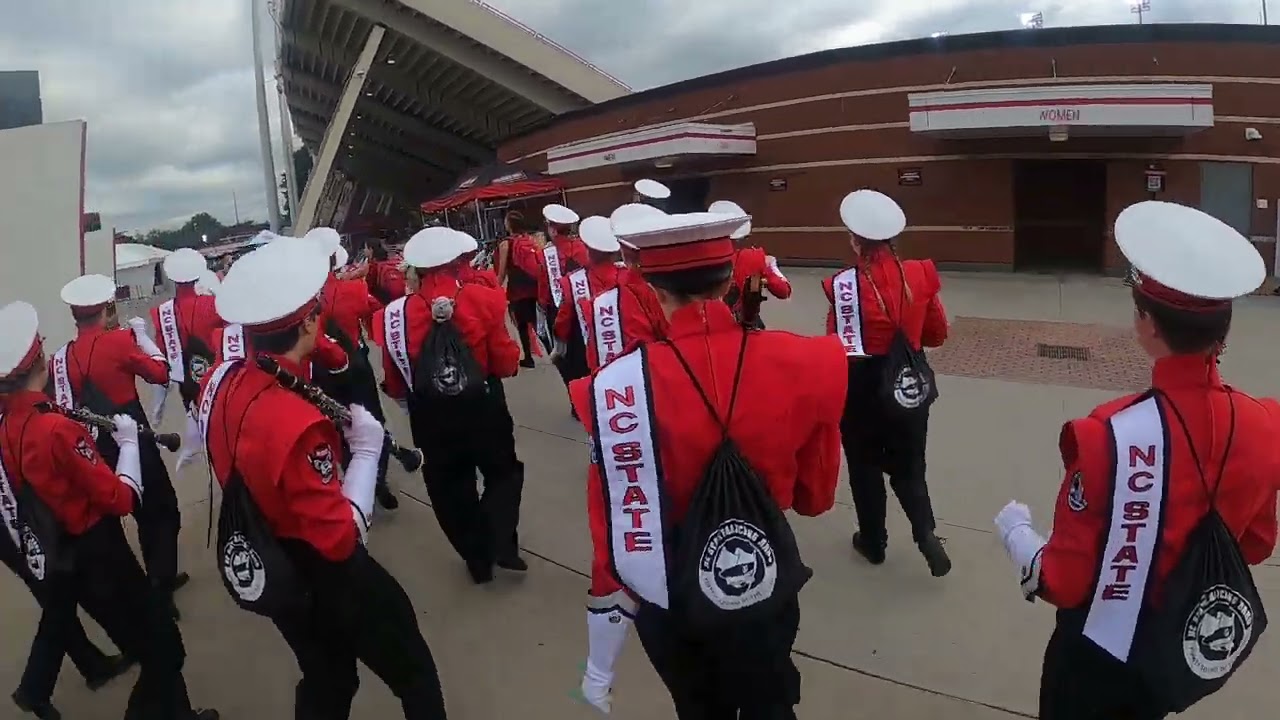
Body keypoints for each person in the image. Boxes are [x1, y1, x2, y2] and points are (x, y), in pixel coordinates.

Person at [993, 201, 1280, 720]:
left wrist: (1016, 534)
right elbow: (1257, 544)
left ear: (1147, 324)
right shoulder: (1268, 425)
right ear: (1224, 332)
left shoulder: (1108, 436)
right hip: (1172, 657)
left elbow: (1063, 580)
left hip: (1096, 660)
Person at [569, 210, 847, 719]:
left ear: (653, 290)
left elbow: (612, 531)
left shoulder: (615, 389)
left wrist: (600, 663)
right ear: (729, 281)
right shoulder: (809, 362)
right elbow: (816, 498)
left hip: (670, 592)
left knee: (698, 708)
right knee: (770, 701)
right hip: (762, 579)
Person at [202, 238, 448, 720]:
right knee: (413, 668)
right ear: (311, 322)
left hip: (275, 561)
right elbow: (338, 538)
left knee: (328, 674)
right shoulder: (297, 423)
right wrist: (365, 452)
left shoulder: (226, 383)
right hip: (322, 570)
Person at [0, 301, 218, 720]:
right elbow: (120, 499)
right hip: (101, 553)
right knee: (165, 648)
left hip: (70, 555)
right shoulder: (55, 428)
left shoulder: (10, 426)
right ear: (39, 360)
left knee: (150, 646)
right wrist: (131, 444)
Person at [374, 227, 526, 585]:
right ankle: (501, 538)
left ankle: (476, 559)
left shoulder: (392, 315)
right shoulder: (483, 299)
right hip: (484, 405)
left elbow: (396, 380)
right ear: (457, 262)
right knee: (504, 471)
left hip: (431, 415)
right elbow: (506, 364)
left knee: (447, 488)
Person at [821, 190, 951, 577]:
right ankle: (925, 532)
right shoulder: (920, 274)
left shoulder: (843, 285)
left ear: (856, 241)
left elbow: (836, 346)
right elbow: (937, 333)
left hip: (861, 385)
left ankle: (873, 542)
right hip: (908, 379)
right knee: (911, 464)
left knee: (864, 466)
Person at [50, 274, 189, 614]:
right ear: (106, 307)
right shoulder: (120, 341)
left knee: (120, 514)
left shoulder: (65, 356)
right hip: (135, 436)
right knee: (159, 510)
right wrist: (141, 338)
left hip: (98, 443)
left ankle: (143, 584)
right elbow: (161, 373)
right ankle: (161, 584)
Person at [3, 516, 133, 720]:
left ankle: (91, 665)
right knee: (58, 592)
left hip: (16, 520)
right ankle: (33, 688)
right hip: (14, 519)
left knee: (59, 592)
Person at [309, 228, 398, 511]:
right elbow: (379, 311)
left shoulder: (304, 300)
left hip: (323, 371)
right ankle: (379, 476)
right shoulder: (354, 288)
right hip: (356, 364)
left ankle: (356, 478)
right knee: (372, 419)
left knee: (340, 426)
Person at [144, 249, 225, 468]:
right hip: (217, 376)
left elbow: (161, 353)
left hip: (187, 383)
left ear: (172, 279)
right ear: (198, 275)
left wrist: (158, 402)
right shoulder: (213, 305)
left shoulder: (162, 314)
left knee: (202, 424)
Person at [552, 215, 627, 387]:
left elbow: (564, 318)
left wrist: (559, 342)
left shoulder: (570, 282)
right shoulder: (626, 277)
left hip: (585, 350)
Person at [707, 200, 792, 329]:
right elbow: (783, 291)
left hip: (709, 326)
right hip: (745, 327)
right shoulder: (754, 257)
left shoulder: (701, 257)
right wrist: (771, 265)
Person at [537, 204, 589, 390]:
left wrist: (542, 309)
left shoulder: (546, 254)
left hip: (557, 311)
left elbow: (543, 286)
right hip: (582, 308)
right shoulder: (582, 248)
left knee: (564, 357)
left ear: (551, 228)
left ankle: (574, 395)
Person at [506, 211, 549, 367]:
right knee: (537, 321)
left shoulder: (510, 243)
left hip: (518, 288)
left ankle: (528, 358)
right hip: (533, 285)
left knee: (522, 325)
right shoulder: (530, 240)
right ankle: (549, 349)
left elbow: (506, 267)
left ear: (510, 225)